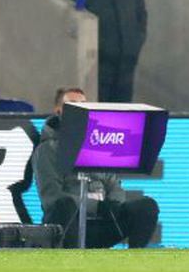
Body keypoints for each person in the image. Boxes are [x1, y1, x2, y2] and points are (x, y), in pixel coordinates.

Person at [34, 86, 160, 248]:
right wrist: (97, 207)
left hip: (102, 222)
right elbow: (52, 198)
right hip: (67, 226)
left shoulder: (100, 144)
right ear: (59, 111)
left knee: (147, 206)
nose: (79, 110)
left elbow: (114, 185)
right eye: (72, 105)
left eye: (84, 105)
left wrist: (112, 206)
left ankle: (134, 261)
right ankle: (69, 261)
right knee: (64, 206)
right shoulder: (46, 150)